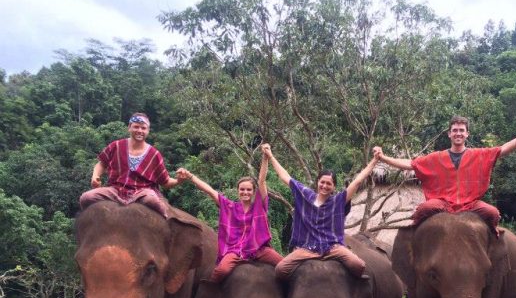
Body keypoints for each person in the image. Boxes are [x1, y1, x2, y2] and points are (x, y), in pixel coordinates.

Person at [372, 114, 516, 232]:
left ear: (467, 134)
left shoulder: (478, 155)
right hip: (443, 203)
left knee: (492, 213)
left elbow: (504, 149)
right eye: (455, 130)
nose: (458, 133)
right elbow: (410, 164)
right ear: (449, 134)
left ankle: (492, 238)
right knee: (423, 209)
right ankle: (415, 237)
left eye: (462, 130)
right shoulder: (437, 158)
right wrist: (384, 158)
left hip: (470, 204)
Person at [262, 143, 379, 280]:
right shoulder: (305, 194)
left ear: (334, 186)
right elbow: (284, 176)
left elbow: (358, 181)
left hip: (332, 247)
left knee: (358, 265)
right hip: (307, 248)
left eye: (329, 183)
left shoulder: (338, 201)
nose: (325, 186)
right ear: (318, 182)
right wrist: (270, 156)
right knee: (281, 269)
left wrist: (375, 160)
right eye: (322, 182)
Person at [176, 152, 283, 283]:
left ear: (254, 192)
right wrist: (190, 176)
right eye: (242, 189)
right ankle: (208, 296)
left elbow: (261, 180)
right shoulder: (230, 207)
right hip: (235, 250)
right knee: (221, 271)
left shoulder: (259, 206)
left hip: (259, 249)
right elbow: (210, 190)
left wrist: (265, 157)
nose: (245, 192)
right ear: (238, 191)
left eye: (249, 190)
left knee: (283, 265)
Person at [80, 113, 181, 217]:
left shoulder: (154, 154)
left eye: (143, 128)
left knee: (154, 202)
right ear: (129, 127)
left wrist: (179, 180)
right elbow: (101, 164)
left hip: (142, 193)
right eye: (136, 127)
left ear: (148, 131)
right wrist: (95, 176)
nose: (140, 131)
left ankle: (165, 228)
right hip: (116, 190)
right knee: (86, 197)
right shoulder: (116, 146)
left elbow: (165, 182)